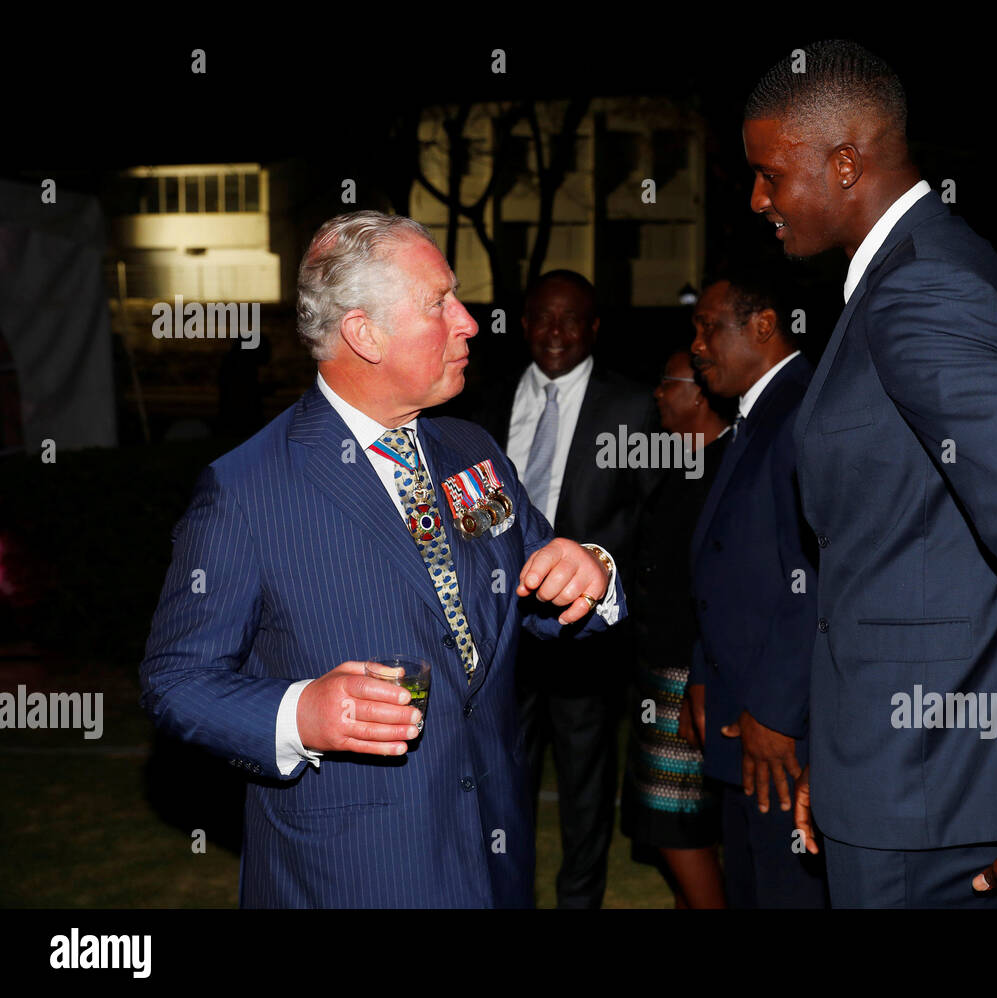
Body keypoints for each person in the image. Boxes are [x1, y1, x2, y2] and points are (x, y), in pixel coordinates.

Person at [742, 40, 997, 907]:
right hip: (896, 785)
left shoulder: (923, 294)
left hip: (935, 817)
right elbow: (904, 553)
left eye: (771, 174)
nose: (757, 198)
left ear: (846, 163)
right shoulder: (926, 273)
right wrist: (845, 765)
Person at [139, 211, 625, 908]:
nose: (467, 321)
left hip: (493, 848)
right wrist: (299, 713)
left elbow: (529, 594)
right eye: (439, 303)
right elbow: (174, 679)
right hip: (351, 874)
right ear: (364, 334)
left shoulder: (473, 452)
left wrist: (591, 574)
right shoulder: (246, 490)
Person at [475, 270, 655, 908]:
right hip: (502, 635)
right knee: (500, 785)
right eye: (543, 318)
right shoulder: (484, 404)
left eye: (571, 318)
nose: (556, 332)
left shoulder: (633, 407)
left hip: (586, 634)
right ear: (523, 325)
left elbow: (651, 524)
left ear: (594, 327)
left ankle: (580, 903)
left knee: (584, 789)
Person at [681, 272, 828, 908]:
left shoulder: (805, 409)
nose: (697, 345)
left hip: (779, 730)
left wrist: (774, 710)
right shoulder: (758, 412)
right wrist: (701, 674)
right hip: (738, 713)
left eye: (709, 326)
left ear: (763, 326)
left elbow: (815, 576)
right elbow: (726, 565)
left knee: (783, 892)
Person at [620, 349, 730, 909]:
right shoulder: (686, 465)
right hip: (661, 669)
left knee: (678, 825)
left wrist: (698, 684)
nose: (658, 394)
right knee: (668, 822)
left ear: (699, 393)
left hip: (688, 675)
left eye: (668, 382)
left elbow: (721, 590)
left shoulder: (724, 469)